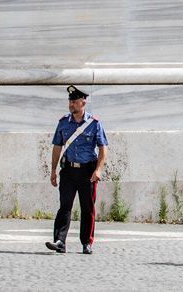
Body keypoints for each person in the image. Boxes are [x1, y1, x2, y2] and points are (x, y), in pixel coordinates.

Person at [47, 85, 108, 255]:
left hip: (87, 171)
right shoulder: (63, 123)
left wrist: (98, 170)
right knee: (64, 206)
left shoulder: (94, 124)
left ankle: (86, 242)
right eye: (70, 101)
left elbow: (103, 148)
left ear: (83, 102)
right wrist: (53, 170)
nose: (71, 104)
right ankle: (60, 241)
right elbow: (57, 147)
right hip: (68, 170)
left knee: (87, 207)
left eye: (74, 101)